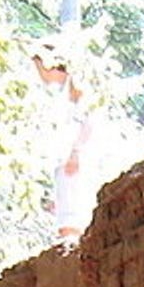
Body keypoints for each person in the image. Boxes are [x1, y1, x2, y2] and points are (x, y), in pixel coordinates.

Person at [32, 48, 102, 245]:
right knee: (65, 202)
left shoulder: (81, 94)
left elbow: (88, 126)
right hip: (65, 157)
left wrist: (75, 153)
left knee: (71, 206)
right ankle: (68, 241)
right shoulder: (65, 97)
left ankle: (71, 243)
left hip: (74, 158)